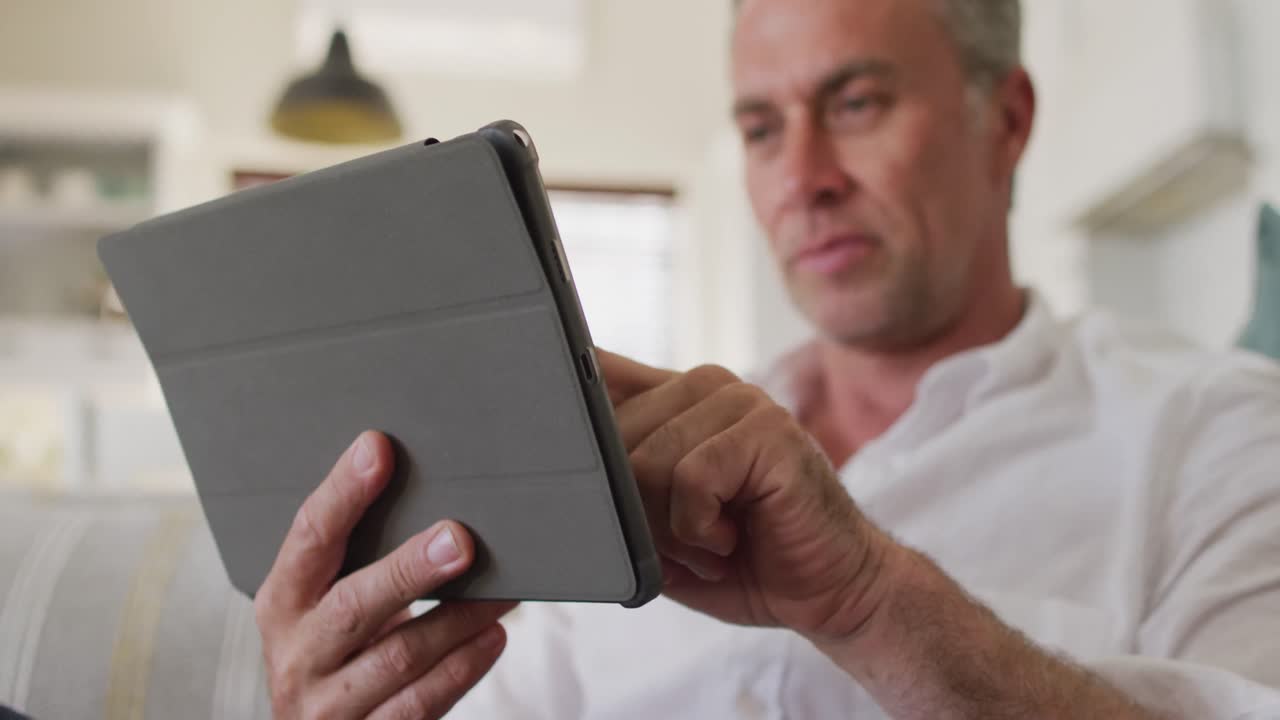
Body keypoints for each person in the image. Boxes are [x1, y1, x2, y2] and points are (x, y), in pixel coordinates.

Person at [251, 0, 1280, 717]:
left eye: (855, 103)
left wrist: (877, 606)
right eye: (758, 126)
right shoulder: (634, 461)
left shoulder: (1218, 436)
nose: (801, 178)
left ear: (1002, 121)